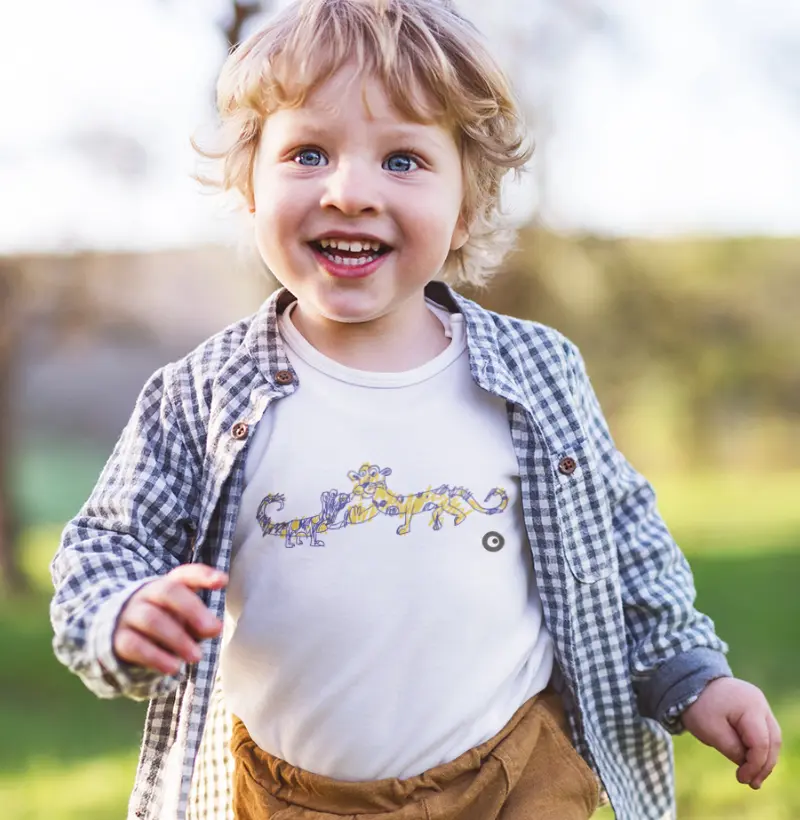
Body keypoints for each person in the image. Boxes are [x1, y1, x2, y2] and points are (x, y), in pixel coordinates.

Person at [50, 0, 781, 818]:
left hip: (516, 774)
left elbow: (620, 538)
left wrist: (691, 673)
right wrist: (121, 613)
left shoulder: (536, 373)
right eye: (307, 153)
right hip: (296, 795)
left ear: (466, 205)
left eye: (402, 160)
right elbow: (105, 547)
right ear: (250, 186)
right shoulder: (201, 397)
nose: (350, 192)